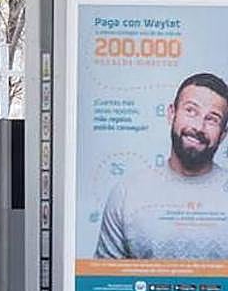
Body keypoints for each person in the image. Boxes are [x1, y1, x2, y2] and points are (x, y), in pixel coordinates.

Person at [96, 73, 228, 259]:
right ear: (171, 114)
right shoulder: (127, 193)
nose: (199, 127)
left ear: (222, 135)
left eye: (212, 119)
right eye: (191, 111)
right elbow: (104, 282)